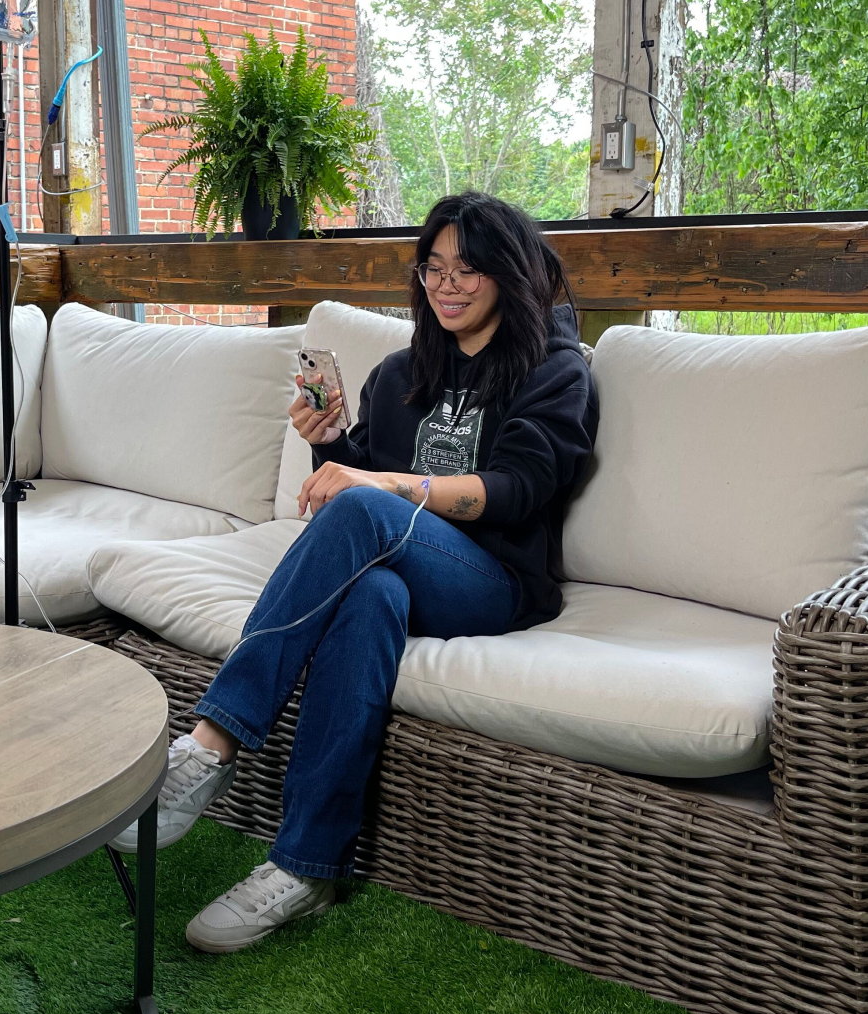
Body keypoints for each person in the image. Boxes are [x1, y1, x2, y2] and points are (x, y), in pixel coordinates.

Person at [117, 191, 598, 954]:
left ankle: (212, 743)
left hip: (494, 582)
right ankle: (305, 868)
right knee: (370, 595)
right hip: (401, 571)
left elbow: (517, 491)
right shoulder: (404, 372)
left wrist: (378, 486)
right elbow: (355, 492)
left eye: (468, 269)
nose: (447, 285)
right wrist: (328, 443)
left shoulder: (554, 370)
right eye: (434, 268)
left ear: (508, 274)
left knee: (368, 513)